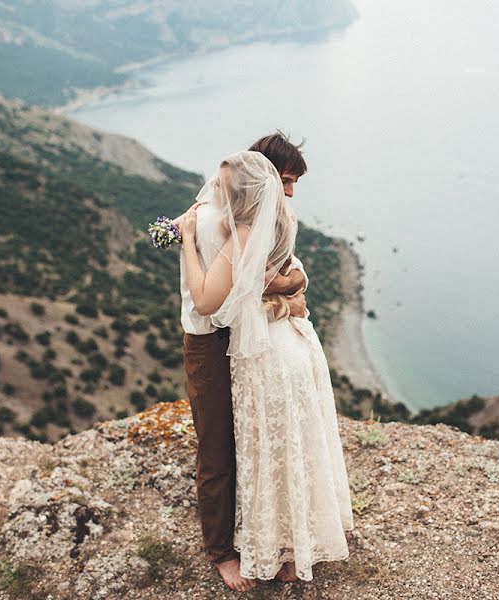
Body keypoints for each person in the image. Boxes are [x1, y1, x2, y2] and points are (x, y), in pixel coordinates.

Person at [179, 150, 353, 587]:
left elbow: (284, 273)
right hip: (209, 340)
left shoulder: (255, 221)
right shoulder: (208, 216)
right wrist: (285, 295)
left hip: (249, 344)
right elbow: (208, 299)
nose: (289, 193)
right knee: (220, 448)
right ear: (265, 178)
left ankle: (269, 543)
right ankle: (223, 551)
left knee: (259, 446)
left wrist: (287, 289)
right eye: (286, 180)